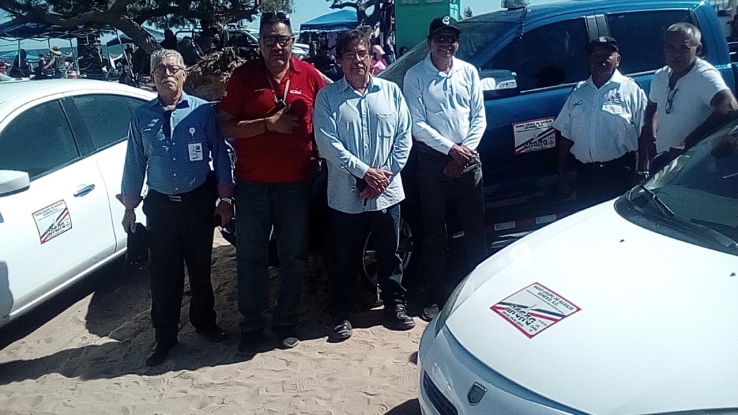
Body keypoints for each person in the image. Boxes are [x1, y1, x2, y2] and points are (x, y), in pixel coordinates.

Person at [218, 12, 326, 356]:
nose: (277, 46)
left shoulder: (310, 76)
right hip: (251, 186)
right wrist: (267, 124)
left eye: (283, 39)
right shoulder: (243, 77)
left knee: (293, 256)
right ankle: (252, 324)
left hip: (296, 185)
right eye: (269, 40)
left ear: (292, 42)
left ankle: (286, 321)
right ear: (259, 43)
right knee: (251, 256)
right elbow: (225, 126)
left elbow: (329, 117)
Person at [119, 49, 234, 366]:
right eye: (159, 69)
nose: (166, 73)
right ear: (152, 78)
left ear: (184, 74)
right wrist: (130, 206)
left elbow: (220, 156)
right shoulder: (141, 117)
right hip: (161, 207)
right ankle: (165, 336)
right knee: (163, 274)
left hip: (198, 202)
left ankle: (205, 323)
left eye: (173, 68)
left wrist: (225, 198)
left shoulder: (202, 112)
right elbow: (134, 163)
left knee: (200, 268)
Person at [313, 29, 415, 342]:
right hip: (347, 194)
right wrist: (365, 172)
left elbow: (404, 136)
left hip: (387, 192)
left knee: (391, 253)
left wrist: (383, 175)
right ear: (339, 60)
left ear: (371, 57)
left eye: (362, 53)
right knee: (344, 258)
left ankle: (395, 306)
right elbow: (327, 144)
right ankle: (341, 315)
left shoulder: (391, 92)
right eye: (350, 54)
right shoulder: (328, 97)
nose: (357, 60)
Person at [403, 16, 487, 322]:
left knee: (475, 228)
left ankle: (478, 293)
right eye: (440, 38)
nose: (446, 44)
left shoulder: (469, 72)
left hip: (469, 159)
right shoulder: (415, 76)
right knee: (435, 232)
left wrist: (463, 152)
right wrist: (451, 150)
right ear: (429, 42)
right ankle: (438, 296)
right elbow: (417, 124)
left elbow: (479, 117)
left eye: (451, 39)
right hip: (433, 163)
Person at [553, 36, 647, 205]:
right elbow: (566, 135)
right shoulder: (578, 92)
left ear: (617, 60)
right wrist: (562, 173)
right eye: (596, 56)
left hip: (621, 174)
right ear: (589, 61)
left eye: (606, 56)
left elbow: (645, 134)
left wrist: (642, 171)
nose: (601, 60)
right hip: (587, 176)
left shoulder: (631, 90)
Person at [639, 23, 738, 173]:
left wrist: (688, 143)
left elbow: (729, 106)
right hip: (664, 164)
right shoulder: (661, 76)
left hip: (695, 166)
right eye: (671, 47)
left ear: (697, 49)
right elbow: (651, 109)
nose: (676, 54)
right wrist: (651, 145)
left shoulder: (704, 74)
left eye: (684, 48)